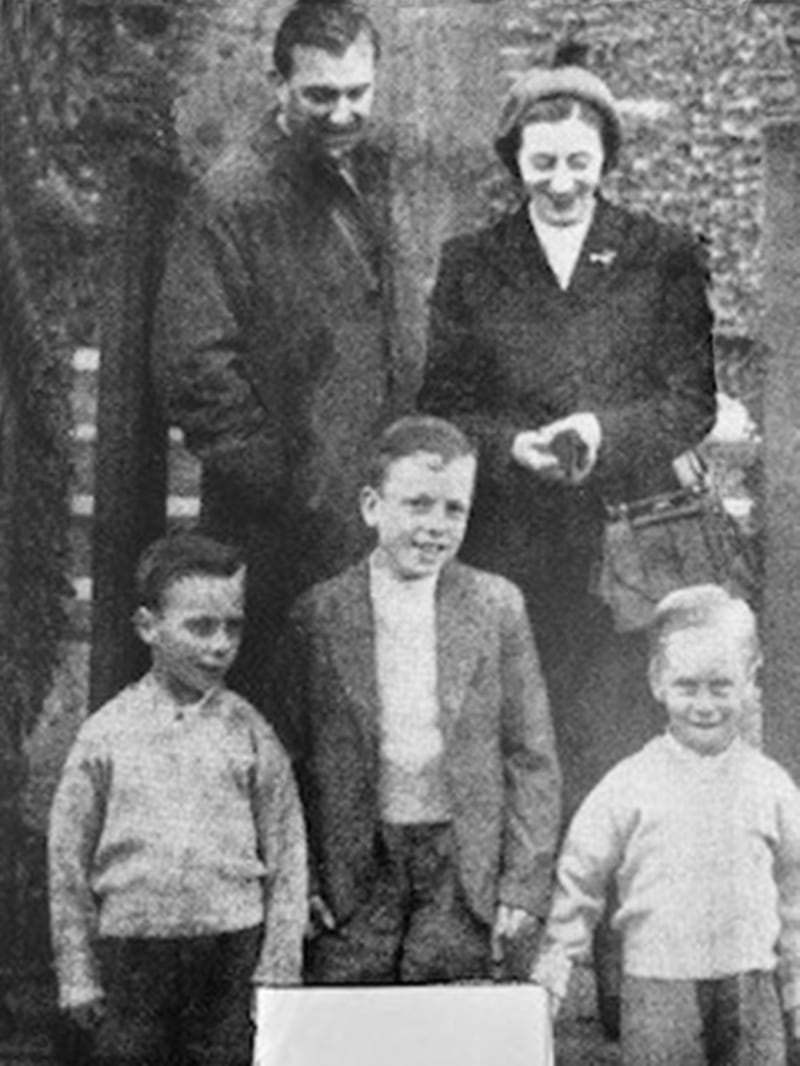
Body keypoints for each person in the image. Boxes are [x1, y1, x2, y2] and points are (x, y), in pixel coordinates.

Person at [418, 48, 717, 818]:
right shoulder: (472, 265)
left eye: (579, 162)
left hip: (627, 552)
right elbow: (443, 404)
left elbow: (692, 404)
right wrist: (509, 445)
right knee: (516, 735)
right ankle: (521, 911)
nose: (560, 181)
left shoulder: (661, 256)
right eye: (541, 161)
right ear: (513, 159)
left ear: (605, 159)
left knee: (618, 735)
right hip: (510, 545)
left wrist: (603, 432)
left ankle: (617, 915)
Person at [153, 0, 403, 702]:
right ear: (279, 86)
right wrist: (290, 483)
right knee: (273, 716)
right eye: (320, 95)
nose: (344, 112)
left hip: (366, 510)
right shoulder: (231, 198)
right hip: (275, 532)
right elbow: (196, 367)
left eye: (358, 93)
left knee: (355, 716)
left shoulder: (371, 174)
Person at [269, 415, 561, 984]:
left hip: (460, 864)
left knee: (447, 1017)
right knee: (355, 1019)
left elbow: (532, 755)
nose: (435, 526)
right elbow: (286, 763)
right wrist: (298, 880)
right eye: (417, 504)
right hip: (355, 868)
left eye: (454, 510)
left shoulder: (496, 606)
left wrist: (523, 881)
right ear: (372, 506)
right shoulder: (320, 615)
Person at [48, 532, 307, 1066]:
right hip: (133, 956)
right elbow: (66, 863)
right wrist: (77, 973)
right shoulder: (107, 734)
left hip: (231, 953)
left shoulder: (250, 732)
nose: (220, 645)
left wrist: (279, 967)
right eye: (200, 626)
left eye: (232, 627)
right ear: (148, 626)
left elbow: (288, 851)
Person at [532, 585, 800, 1066]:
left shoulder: (771, 786)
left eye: (721, 687)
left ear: (750, 680)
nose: (704, 705)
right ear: (658, 681)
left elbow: (796, 894)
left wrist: (797, 993)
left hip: (751, 984)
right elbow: (580, 875)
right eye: (686, 687)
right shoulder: (629, 784)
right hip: (658, 987)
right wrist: (557, 960)